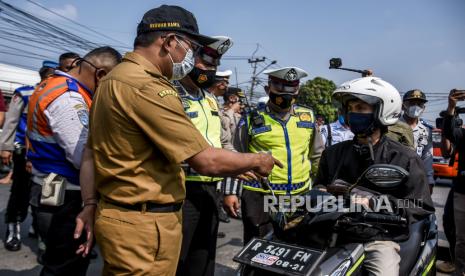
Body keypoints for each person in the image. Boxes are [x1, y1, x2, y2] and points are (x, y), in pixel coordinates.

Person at [74, 5, 278, 276]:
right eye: (190, 48)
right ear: (170, 42)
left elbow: (91, 153)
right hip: (145, 225)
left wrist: (89, 204)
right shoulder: (149, 87)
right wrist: (258, 159)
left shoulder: (113, 80)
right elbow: (205, 160)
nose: (190, 58)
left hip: (117, 214)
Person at [314, 77, 434, 276]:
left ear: (382, 112)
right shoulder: (333, 153)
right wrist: (322, 193)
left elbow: (421, 206)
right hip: (330, 231)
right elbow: (318, 189)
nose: (353, 113)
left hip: (378, 237)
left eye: (361, 108)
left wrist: (375, 202)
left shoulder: (404, 158)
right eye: (351, 107)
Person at [27, 47, 122, 276]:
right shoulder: (69, 98)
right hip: (66, 197)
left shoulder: (53, 85)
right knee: (66, 267)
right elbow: (83, 155)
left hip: (54, 191)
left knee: (60, 264)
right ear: (100, 75)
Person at [227, 67, 324, 244]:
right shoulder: (250, 118)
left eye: (291, 90)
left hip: (299, 195)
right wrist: (230, 192)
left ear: (298, 91)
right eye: (280, 90)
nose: (286, 96)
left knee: (295, 247)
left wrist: (322, 186)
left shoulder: (307, 117)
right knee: (258, 247)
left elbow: (317, 155)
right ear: (268, 90)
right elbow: (235, 156)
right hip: (260, 196)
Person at [174, 35, 235, 276]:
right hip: (181, 189)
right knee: (177, 259)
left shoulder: (209, 99)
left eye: (214, 65)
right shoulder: (170, 94)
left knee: (204, 258)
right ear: (188, 59)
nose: (209, 69)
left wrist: (238, 167)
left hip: (210, 190)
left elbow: (223, 143)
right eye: (204, 62)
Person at [0, 60, 57, 252]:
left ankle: (41, 229)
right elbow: (10, 122)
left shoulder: (62, 95)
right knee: (20, 191)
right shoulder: (24, 93)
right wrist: (6, 147)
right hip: (24, 152)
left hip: (49, 155)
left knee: (47, 195)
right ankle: (13, 228)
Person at [443, 88, 465, 275]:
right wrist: (451, 107)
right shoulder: (463, 135)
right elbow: (450, 132)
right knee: (461, 238)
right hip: (462, 191)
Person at [400, 89, 435, 193]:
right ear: (403, 106)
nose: (416, 107)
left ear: (423, 108)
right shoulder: (392, 126)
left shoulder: (426, 130)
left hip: (415, 179)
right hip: (394, 176)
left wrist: (429, 181)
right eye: (411, 103)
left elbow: (427, 157)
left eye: (419, 104)